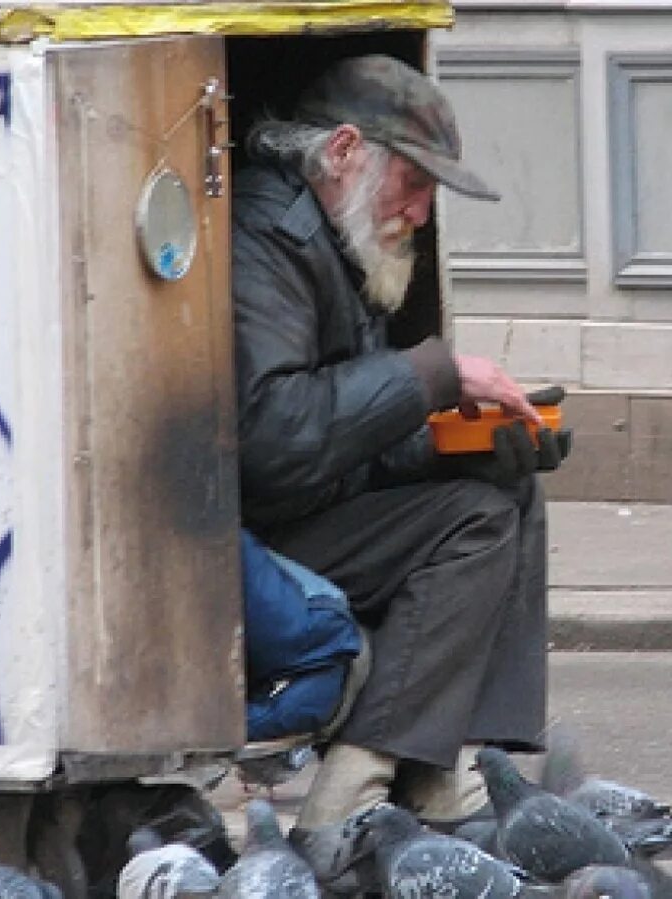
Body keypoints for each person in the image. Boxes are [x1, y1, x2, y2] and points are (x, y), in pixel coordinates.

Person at [229, 53, 572, 840]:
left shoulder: (335, 237)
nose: (420, 212)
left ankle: (430, 774)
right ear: (344, 151)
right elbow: (274, 436)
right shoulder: (267, 233)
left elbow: (346, 440)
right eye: (413, 184)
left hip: (303, 511)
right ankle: (350, 791)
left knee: (504, 491)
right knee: (474, 522)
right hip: (247, 544)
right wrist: (433, 374)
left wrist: (460, 447)